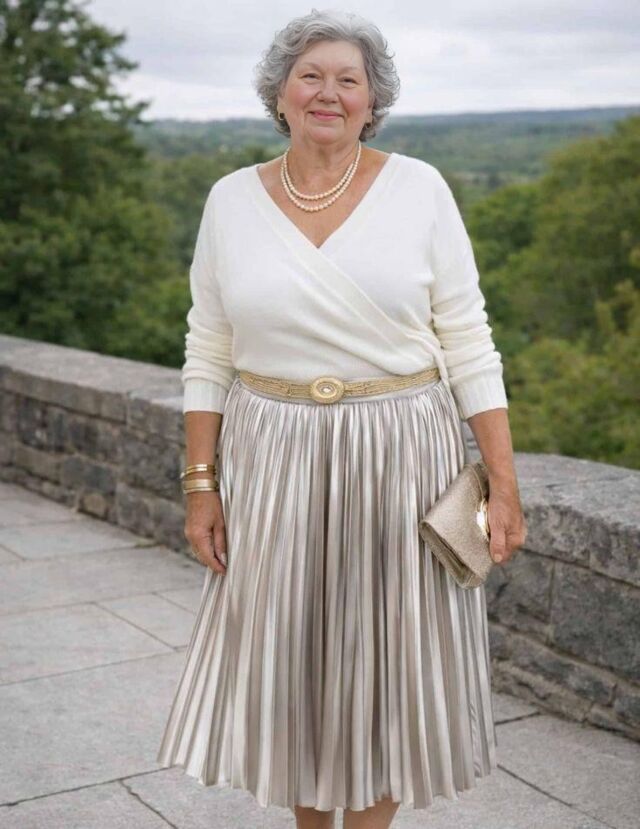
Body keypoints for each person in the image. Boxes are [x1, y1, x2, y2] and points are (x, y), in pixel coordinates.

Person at [156, 9, 527, 829]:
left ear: (372, 101)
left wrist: (502, 484)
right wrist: (200, 485)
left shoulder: (421, 189)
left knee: (386, 671)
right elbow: (208, 347)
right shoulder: (229, 200)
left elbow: (469, 340)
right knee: (298, 670)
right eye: (311, 76)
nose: (329, 92)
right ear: (280, 94)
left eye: (348, 80)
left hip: (403, 454)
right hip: (273, 452)